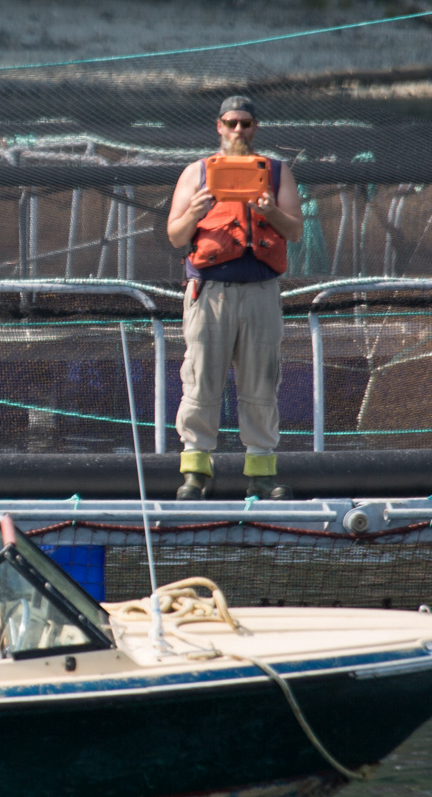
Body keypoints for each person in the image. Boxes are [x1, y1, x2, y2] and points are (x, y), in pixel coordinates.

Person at [166, 95, 304, 501]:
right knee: (201, 379)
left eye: (246, 123)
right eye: (231, 123)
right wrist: (194, 210)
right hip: (210, 292)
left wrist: (270, 211)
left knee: (261, 380)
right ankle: (195, 474)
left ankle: (261, 475)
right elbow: (176, 236)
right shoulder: (196, 173)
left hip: (260, 291)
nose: (238, 130)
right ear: (219, 127)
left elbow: (293, 231)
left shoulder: (277, 174)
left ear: (255, 128)